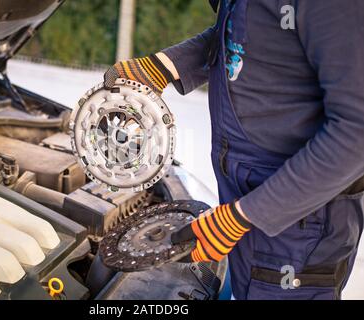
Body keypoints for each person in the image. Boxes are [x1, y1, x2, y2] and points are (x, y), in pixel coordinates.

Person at [103, 0, 364, 300]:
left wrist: (244, 216)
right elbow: (249, 34)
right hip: (250, 209)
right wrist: (165, 66)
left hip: (297, 230)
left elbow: (356, 134)